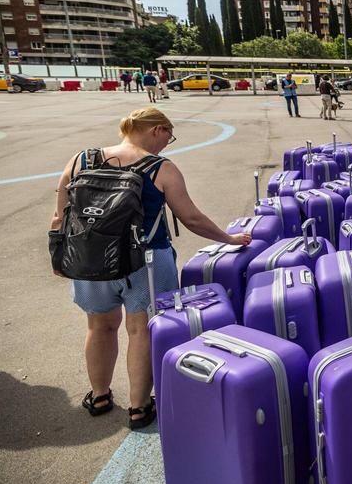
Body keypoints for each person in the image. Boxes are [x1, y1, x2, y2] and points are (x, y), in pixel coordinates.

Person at [51, 107, 251, 428]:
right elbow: (192, 218)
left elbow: (60, 216)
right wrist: (229, 238)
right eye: (168, 137)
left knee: (99, 327)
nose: (167, 144)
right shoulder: (161, 168)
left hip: (90, 259)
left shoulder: (81, 160)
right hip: (145, 261)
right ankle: (139, 407)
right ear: (157, 129)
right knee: (141, 331)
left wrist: (61, 257)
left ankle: (100, 395)